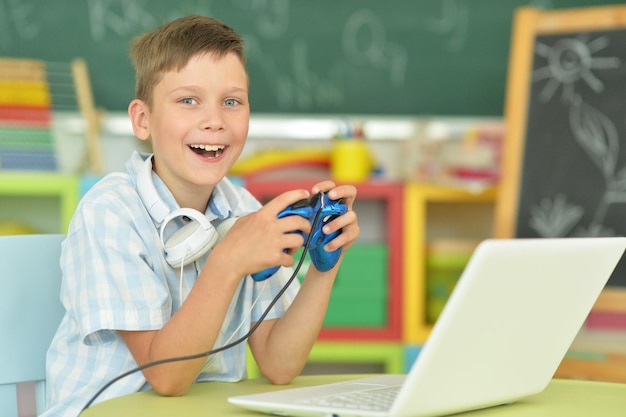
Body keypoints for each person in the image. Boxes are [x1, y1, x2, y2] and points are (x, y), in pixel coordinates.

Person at [42, 15, 359, 417]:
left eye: (232, 101)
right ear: (142, 120)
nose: (215, 121)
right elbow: (167, 378)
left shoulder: (244, 210)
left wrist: (324, 266)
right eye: (188, 100)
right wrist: (227, 262)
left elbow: (279, 365)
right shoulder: (109, 213)